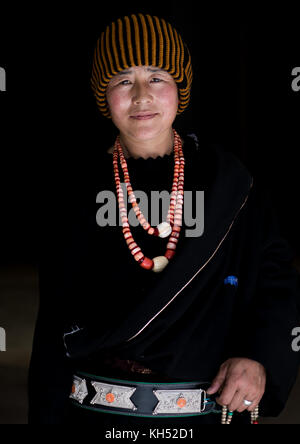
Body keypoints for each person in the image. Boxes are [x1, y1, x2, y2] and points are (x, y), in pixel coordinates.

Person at [28, 13, 300, 427]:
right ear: (104, 95)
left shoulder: (228, 183)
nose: (141, 95)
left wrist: (259, 356)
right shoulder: (76, 191)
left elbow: (276, 282)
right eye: (122, 80)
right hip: (97, 416)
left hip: (204, 416)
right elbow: (53, 325)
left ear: (180, 88)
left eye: (157, 77)